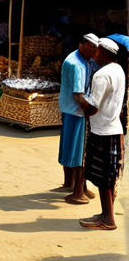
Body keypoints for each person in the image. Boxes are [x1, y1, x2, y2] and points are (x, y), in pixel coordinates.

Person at [79, 38, 126, 230]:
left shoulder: (101, 75)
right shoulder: (118, 69)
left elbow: (91, 108)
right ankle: (106, 213)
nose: (93, 51)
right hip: (114, 128)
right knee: (109, 176)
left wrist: (79, 97)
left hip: (102, 131)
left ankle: (107, 219)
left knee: (103, 178)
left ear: (105, 52)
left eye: (97, 49)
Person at [57, 33, 99, 205]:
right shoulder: (77, 66)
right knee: (79, 152)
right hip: (76, 112)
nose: (94, 53)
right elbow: (78, 95)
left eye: (95, 50)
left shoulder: (81, 59)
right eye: (91, 49)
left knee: (69, 147)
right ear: (81, 45)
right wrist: (89, 110)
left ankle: (71, 183)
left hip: (69, 110)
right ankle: (77, 190)